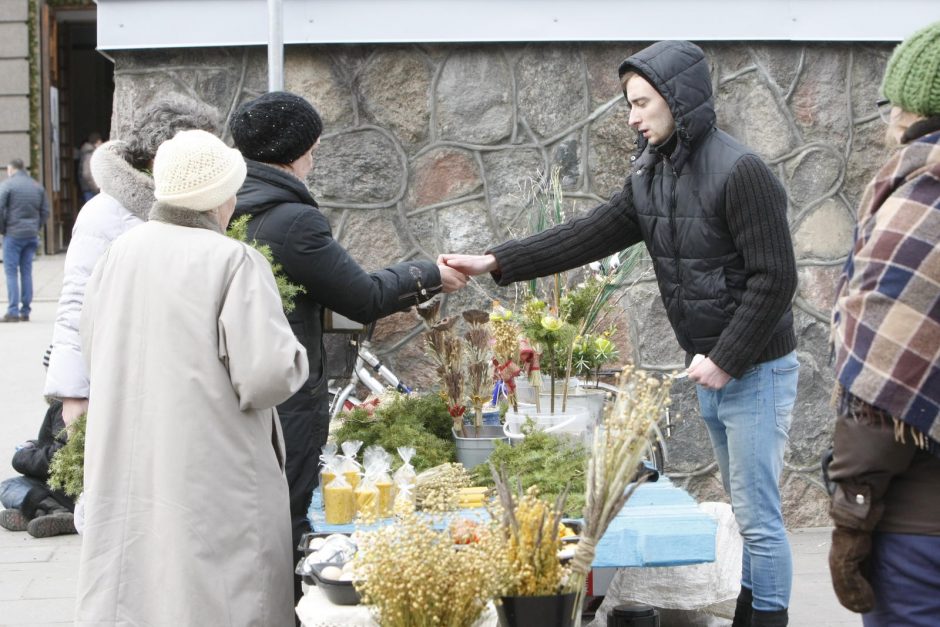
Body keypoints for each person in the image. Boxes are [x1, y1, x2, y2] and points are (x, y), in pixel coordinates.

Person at [443, 41, 799, 627]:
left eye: (640, 103)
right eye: (629, 104)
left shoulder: (742, 172)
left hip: (754, 370)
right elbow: (586, 235)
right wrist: (494, 261)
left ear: (677, 102)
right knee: (744, 513)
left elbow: (776, 277)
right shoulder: (651, 173)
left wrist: (728, 360)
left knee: (758, 517)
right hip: (714, 366)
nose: (632, 117)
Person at [228, 90, 469, 602]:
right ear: (297, 151)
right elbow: (361, 297)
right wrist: (429, 274)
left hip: (233, 392)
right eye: (313, 148)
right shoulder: (293, 221)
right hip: (286, 396)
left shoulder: (226, 209)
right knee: (285, 521)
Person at [75, 129, 308, 626]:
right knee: (221, 593)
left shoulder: (121, 251)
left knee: (140, 586)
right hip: (214, 463)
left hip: (129, 453)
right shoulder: (232, 260)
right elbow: (266, 375)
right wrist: (297, 356)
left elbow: (92, 347)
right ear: (222, 198)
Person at [827, 21, 940, 627]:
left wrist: (851, 519)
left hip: (924, 537)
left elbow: (882, 387)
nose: (887, 121)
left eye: (894, 105)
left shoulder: (923, 198)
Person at [44, 96, 222, 427]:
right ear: (159, 155)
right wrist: (73, 393)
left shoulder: (204, 204)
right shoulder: (106, 212)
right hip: (124, 378)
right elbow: (76, 305)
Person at [0, 399, 77, 538]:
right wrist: (34, 445)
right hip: (66, 488)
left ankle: (54, 512)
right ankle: (44, 514)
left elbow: (59, 456)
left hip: (65, 492)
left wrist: (21, 457)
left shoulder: (67, 406)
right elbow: (62, 443)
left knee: (8, 487)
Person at [0, 159, 50, 323]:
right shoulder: (36, 186)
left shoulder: (8, 185)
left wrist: (3, 229)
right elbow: (45, 211)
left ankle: (13, 311)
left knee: (11, 272)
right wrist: (36, 227)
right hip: (31, 235)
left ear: (10, 169)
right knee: (26, 272)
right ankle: (25, 311)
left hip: (13, 234)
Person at [77, 131, 103, 204]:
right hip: (90, 190)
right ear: (98, 142)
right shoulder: (90, 153)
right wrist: (96, 188)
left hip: (88, 188)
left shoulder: (88, 152)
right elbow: (87, 173)